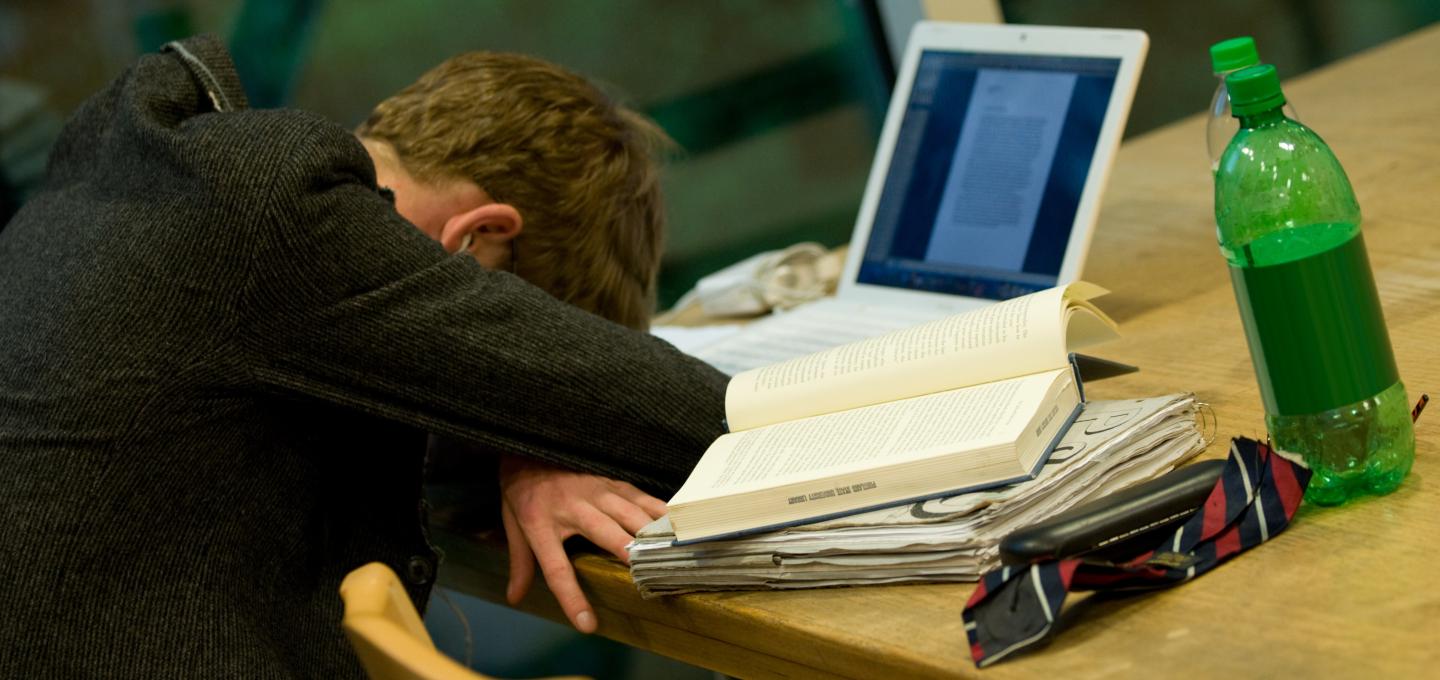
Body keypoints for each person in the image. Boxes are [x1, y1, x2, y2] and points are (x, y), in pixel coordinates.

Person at [0, 34, 726, 678]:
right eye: (515, 326)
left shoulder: (140, 178)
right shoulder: (288, 215)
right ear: (476, 240)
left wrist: (526, 443)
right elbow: (694, 416)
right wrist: (547, 412)